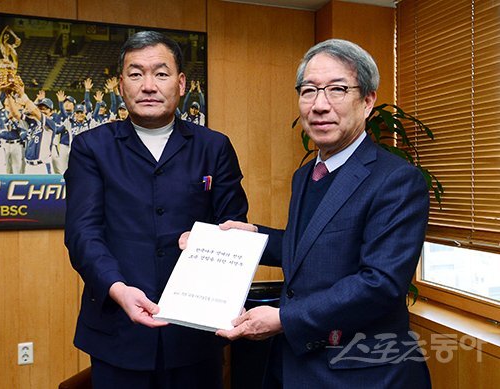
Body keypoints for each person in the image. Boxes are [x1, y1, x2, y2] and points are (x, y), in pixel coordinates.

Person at [208, 39, 431, 388]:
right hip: (297, 364)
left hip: (360, 373)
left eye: (338, 89)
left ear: (368, 100)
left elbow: (380, 284)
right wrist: (252, 237)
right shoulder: (307, 175)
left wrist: (284, 318)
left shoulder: (397, 180)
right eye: (309, 90)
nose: (319, 105)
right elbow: (312, 248)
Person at [64, 30, 248, 389]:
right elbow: (83, 233)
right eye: (136, 74)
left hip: (197, 333)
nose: (148, 85)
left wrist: (227, 292)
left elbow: (233, 227)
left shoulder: (214, 147)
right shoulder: (92, 148)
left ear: (181, 83)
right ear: (121, 84)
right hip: (117, 331)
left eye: (161, 73)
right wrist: (117, 288)